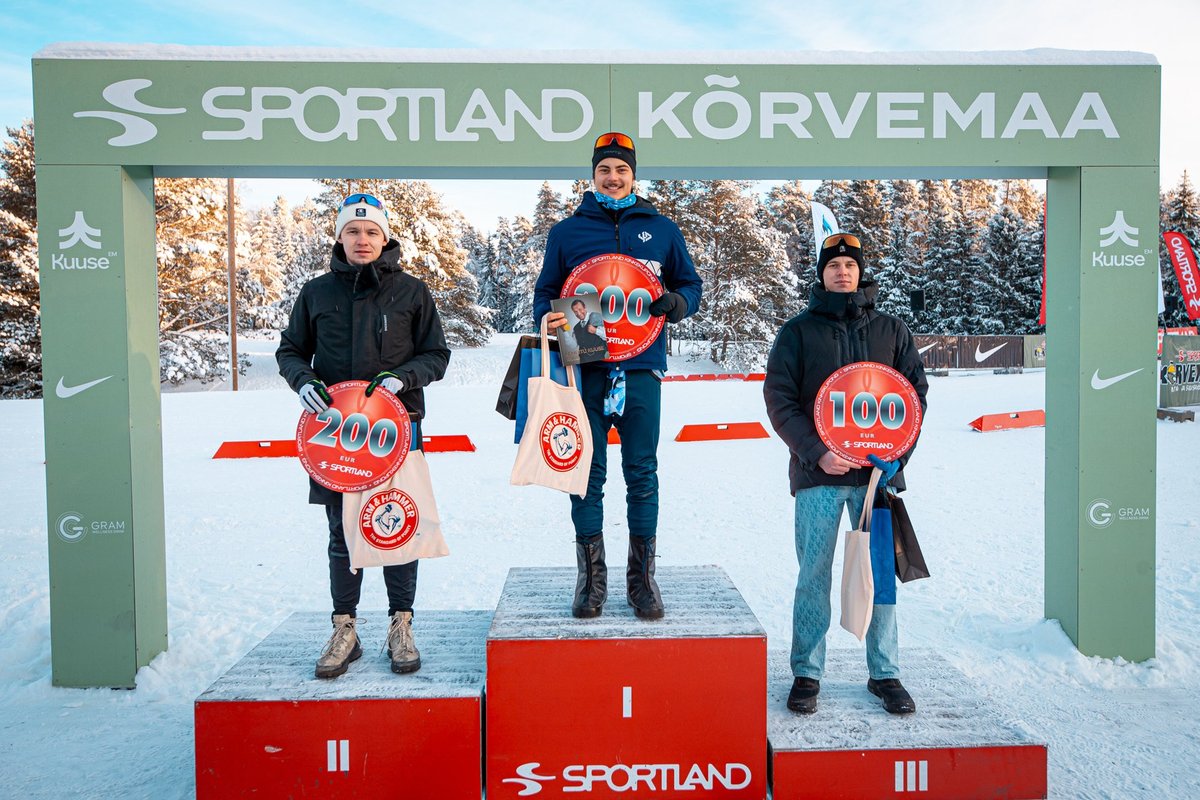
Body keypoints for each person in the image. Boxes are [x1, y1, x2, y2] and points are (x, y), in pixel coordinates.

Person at [277, 193, 450, 679]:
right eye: (352, 231)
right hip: (336, 436)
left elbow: (436, 355)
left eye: (372, 231)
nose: (362, 239)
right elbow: (291, 351)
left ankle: (401, 624)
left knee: (399, 526)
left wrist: (404, 378)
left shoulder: (412, 292)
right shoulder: (316, 293)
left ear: (384, 237)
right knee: (341, 530)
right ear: (339, 237)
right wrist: (303, 381)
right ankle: (345, 628)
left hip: (397, 432)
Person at [534, 131, 703, 620]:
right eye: (604, 169)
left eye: (622, 170)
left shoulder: (662, 229)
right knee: (586, 472)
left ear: (633, 175)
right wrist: (548, 317)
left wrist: (677, 302)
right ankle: (591, 581)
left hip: (641, 365)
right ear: (593, 175)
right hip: (586, 363)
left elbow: (690, 285)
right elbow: (545, 293)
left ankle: (642, 581)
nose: (613, 177)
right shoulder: (567, 232)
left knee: (642, 472)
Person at [763, 232, 928, 715]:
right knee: (813, 574)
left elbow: (914, 398)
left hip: (876, 480)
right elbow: (779, 399)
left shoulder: (892, 331)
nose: (842, 272)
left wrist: (898, 456)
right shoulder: (797, 332)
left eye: (850, 265)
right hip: (819, 477)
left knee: (879, 575)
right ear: (822, 274)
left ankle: (885, 672)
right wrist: (816, 453)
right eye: (833, 265)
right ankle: (807, 672)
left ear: (860, 272)